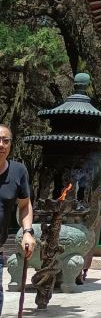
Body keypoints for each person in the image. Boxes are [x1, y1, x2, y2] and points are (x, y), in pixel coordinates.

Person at [0, 124, 35, 315]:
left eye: (6, 140)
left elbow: (24, 205)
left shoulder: (18, 171)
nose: (1, 144)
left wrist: (27, 232)